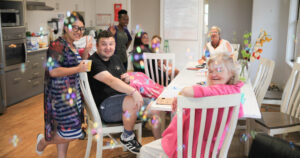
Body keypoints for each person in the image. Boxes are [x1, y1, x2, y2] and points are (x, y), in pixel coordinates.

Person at [140, 53, 244, 158]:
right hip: (210, 148)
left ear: (231, 73)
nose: (214, 74)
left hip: (189, 147)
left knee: (144, 151)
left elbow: (188, 91)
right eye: (211, 71)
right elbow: (240, 114)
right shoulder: (234, 93)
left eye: (219, 70)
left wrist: (181, 93)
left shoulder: (210, 91)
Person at [87, 30, 162, 154]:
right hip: (105, 109)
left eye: (111, 44)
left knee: (155, 107)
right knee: (132, 99)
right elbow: (111, 81)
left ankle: (159, 145)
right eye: (104, 44)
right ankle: (127, 136)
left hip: (125, 104)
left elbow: (121, 81)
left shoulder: (116, 59)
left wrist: (127, 80)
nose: (108, 47)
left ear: (115, 45)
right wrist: (133, 91)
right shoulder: (94, 62)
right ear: (97, 46)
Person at [36, 12, 91, 158]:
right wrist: (78, 68)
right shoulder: (57, 45)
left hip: (73, 94)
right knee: (74, 133)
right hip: (61, 97)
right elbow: (53, 71)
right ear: (66, 27)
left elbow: (78, 66)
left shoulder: (71, 45)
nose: (78, 31)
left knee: (65, 130)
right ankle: (42, 142)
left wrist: (85, 53)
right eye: (75, 27)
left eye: (81, 28)